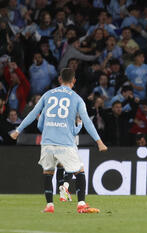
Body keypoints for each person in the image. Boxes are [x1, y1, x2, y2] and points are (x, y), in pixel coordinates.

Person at [10, 68, 108, 214]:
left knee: (48, 172)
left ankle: (49, 205)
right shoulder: (76, 98)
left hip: (47, 142)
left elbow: (33, 114)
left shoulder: (47, 95)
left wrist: (18, 130)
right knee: (79, 171)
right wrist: (99, 141)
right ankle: (81, 204)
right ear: (74, 81)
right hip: (65, 143)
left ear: (60, 79)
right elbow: (87, 121)